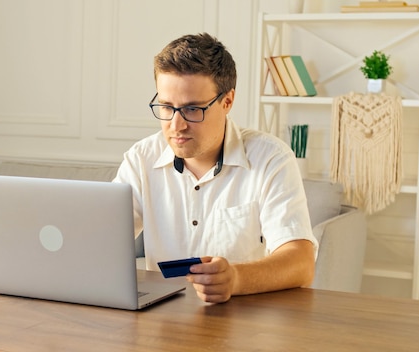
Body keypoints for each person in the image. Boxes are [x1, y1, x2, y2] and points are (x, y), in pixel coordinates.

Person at [113, 33, 317, 303]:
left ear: (227, 101)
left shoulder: (271, 158)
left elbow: (301, 263)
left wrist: (236, 278)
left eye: (192, 109)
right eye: (166, 107)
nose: (176, 125)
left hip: (243, 327)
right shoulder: (141, 159)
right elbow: (100, 239)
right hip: (161, 325)